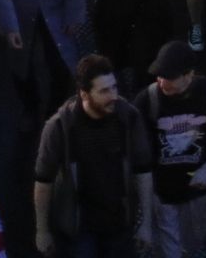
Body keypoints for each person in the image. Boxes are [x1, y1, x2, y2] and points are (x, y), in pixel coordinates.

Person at [32, 53, 155, 258]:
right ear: (84, 94)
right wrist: (42, 231)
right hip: (80, 227)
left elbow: (143, 172)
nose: (114, 95)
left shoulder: (128, 118)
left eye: (114, 87)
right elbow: (43, 181)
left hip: (119, 222)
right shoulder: (60, 127)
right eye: (104, 91)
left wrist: (147, 225)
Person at [136, 40, 206, 258]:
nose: (161, 82)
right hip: (162, 193)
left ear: (189, 75)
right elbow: (137, 155)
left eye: (169, 77)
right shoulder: (147, 100)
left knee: (195, 244)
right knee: (170, 251)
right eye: (159, 75)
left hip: (196, 193)